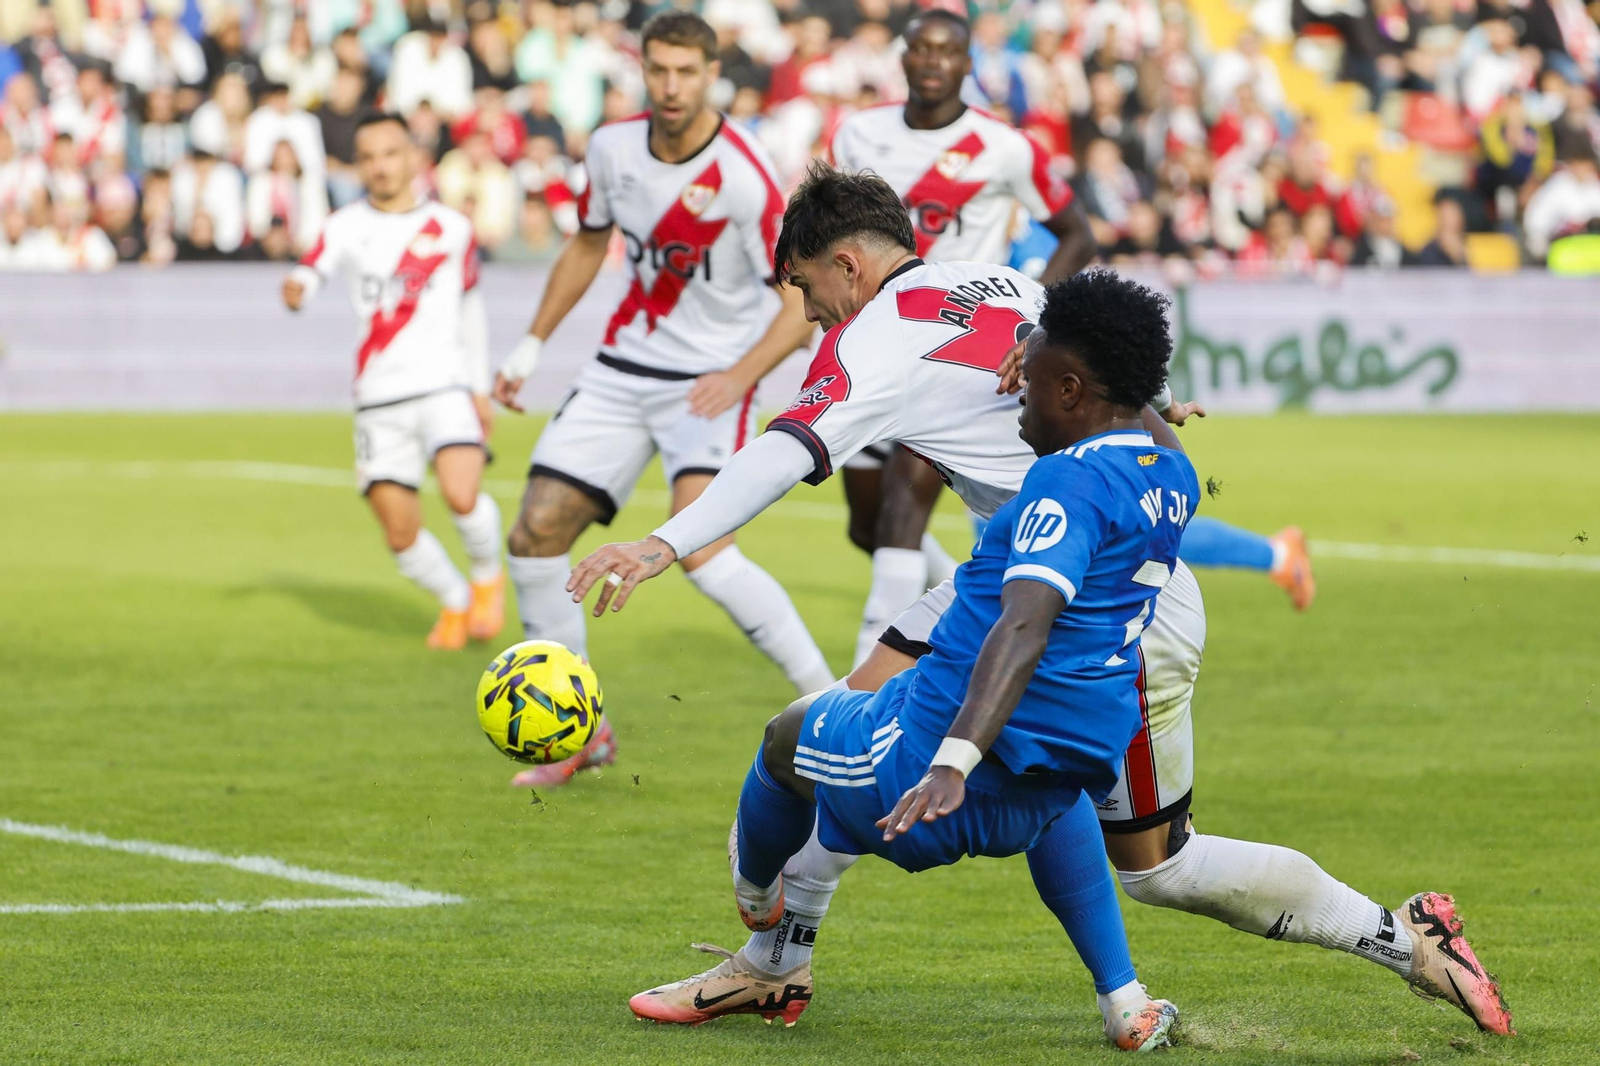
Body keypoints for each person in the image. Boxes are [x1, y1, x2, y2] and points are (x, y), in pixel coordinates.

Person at [571, 164, 1513, 1039]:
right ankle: (777, 960)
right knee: (845, 722)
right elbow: (1117, 381)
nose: (810, 313)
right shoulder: (1003, 284)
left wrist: (662, 542)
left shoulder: (875, 338)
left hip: (1096, 612)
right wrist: (1161, 403)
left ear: (846, 265)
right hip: (1008, 573)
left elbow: (783, 451)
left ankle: (1401, 937)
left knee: (1157, 865)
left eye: (806, 287)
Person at [628, 270, 1194, 1050]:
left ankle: (760, 910)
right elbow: (1140, 436)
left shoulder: (1058, 486)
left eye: (1027, 382)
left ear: (1071, 391)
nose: (1013, 398)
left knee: (788, 739)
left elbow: (1022, 626)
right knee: (1041, 777)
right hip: (1064, 772)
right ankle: (1125, 1000)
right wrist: (1142, 400)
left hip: (923, 778)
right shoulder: (1173, 476)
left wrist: (953, 761)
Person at [490, 12, 833, 786]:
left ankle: (834, 703)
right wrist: (531, 344)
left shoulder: (746, 173)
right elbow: (588, 243)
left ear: (712, 75)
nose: (671, 86)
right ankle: (581, 733)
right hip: (621, 369)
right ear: (641, 70)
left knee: (704, 552)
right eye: (659, 70)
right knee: (535, 531)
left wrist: (741, 376)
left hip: (708, 381)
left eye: (686, 71)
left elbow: (799, 297)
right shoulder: (611, 148)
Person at [828, 8, 1098, 667]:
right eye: (920, 49)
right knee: (867, 526)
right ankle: (962, 601)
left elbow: (1078, 234)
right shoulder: (858, 134)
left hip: (956, 356)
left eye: (946, 51)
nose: (932, 61)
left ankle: (860, 693)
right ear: (902, 58)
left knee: (900, 513)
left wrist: (1032, 317)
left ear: (967, 64)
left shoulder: (1003, 146)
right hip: (869, 346)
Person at [281, 113, 504, 651]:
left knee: (461, 493)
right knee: (400, 534)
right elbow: (310, 270)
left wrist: (479, 388)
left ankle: (486, 579)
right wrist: (297, 288)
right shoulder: (344, 225)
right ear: (359, 166)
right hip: (379, 396)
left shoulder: (451, 227)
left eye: (390, 154)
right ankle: (454, 600)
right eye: (369, 158)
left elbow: (471, 309)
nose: (380, 166)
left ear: (413, 158)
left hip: (445, 385)